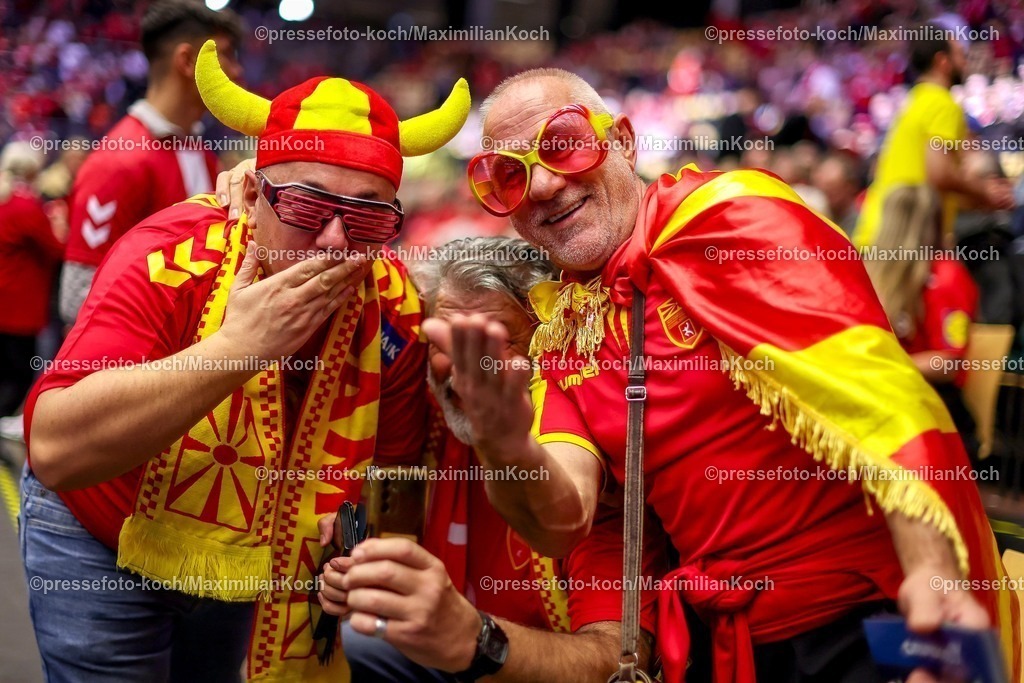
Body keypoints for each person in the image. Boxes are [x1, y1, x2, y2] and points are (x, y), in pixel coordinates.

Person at [424, 68, 1021, 683]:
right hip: (729, 649)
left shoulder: (731, 220)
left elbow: (881, 400)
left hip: (868, 617)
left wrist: (931, 580)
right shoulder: (562, 330)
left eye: (564, 143)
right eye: (509, 176)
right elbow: (561, 518)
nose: (545, 185)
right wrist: (502, 442)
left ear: (624, 141)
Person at [21, 40, 469, 682]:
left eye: (368, 216)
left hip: (251, 556)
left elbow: (392, 474)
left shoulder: (393, 306)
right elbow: (55, 448)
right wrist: (236, 351)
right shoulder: (170, 257)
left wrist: (366, 558)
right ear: (255, 194)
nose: (336, 240)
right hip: (100, 532)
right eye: (309, 206)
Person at [322, 236, 666, 682]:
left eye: (492, 346)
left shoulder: (589, 458)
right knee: (351, 646)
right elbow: (355, 277)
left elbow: (618, 661)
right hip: (443, 663)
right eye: (448, 343)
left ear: (548, 347)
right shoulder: (427, 409)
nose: (467, 374)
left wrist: (477, 639)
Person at [58, 0, 242, 326]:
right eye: (226, 55)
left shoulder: (201, 153)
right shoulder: (118, 161)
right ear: (187, 61)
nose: (236, 71)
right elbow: (78, 299)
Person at [854, 26, 1014, 247]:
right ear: (942, 61)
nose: (966, 63)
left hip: (880, 235)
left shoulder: (917, 99)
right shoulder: (942, 103)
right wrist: (985, 191)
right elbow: (939, 173)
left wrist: (979, 198)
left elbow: (932, 181)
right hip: (904, 241)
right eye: (960, 55)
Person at [864, 185, 980, 457]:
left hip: (934, 413)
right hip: (882, 397)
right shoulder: (868, 272)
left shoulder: (946, 276)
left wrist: (881, 368)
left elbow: (948, 363)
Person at [0, 142, 64, 417]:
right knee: (20, 376)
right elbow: (57, 248)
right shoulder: (25, 206)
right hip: (19, 306)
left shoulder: (7, 200)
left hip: (8, 300)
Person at [812, 151, 863, 236]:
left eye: (831, 187)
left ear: (850, 186)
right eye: (821, 187)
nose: (825, 194)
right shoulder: (818, 217)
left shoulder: (861, 223)